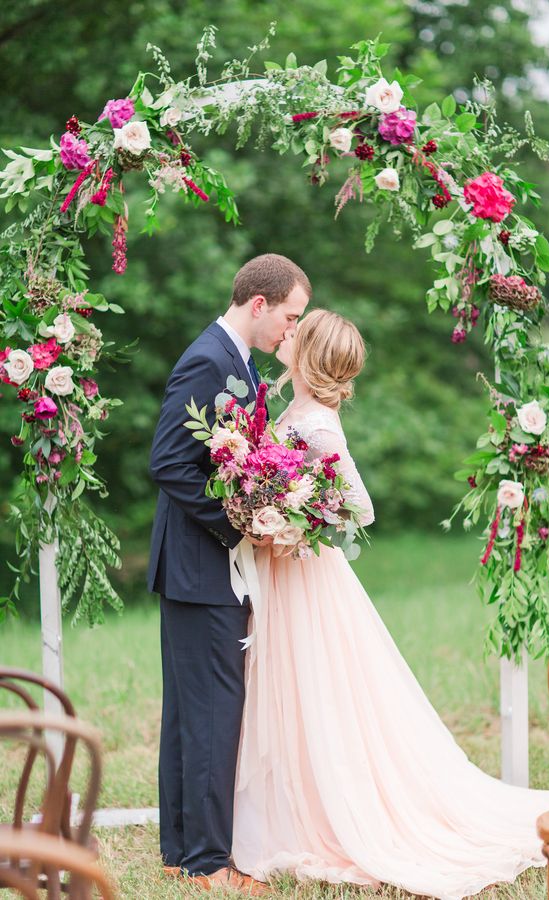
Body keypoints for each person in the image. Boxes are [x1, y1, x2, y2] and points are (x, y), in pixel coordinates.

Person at [231, 308, 549, 900]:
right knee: (293, 690)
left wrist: (296, 518)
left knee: (316, 691)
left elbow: (360, 506)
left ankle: (328, 810)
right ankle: (293, 800)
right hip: (289, 573)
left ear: (309, 353)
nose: (287, 333)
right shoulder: (290, 408)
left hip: (307, 575)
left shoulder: (318, 425)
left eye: (299, 330)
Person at [147, 253, 310, 892]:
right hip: (200, 565)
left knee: (193, 710)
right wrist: (241, 521)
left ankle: (181, 848)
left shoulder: (235, 363)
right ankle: (208, 862)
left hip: (199, 569)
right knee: (214, 709)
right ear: (260, 303)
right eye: (290, 318)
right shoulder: (209, 360)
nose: (290, 333)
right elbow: (168, 462)